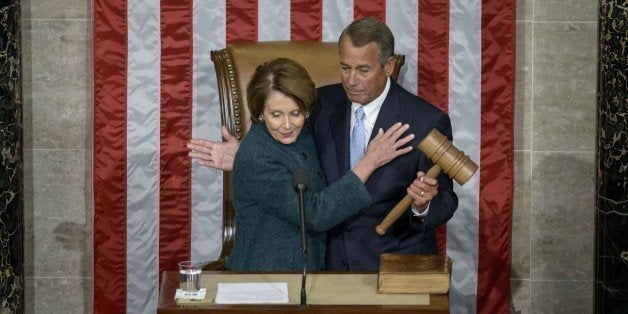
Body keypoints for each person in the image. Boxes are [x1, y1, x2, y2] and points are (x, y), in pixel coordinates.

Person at [187, 18, 458, 271]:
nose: (351, 80)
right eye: (345, 67)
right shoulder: (319, 104)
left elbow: (446, 201)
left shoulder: (426, 121)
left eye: (363, 70)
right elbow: (283, 138)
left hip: (391, 265)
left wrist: (422, 205)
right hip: (323, 266)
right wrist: (244, 155)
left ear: (387, 66)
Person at [223, 57, 414, 271]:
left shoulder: (304, 132)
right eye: (275, 115)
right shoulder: (255, 156)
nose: (287, 125)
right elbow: (314, 215)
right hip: (267, 279)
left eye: (295, 113)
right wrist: (369, 161)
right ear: (259, 113)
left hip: (312, 273)